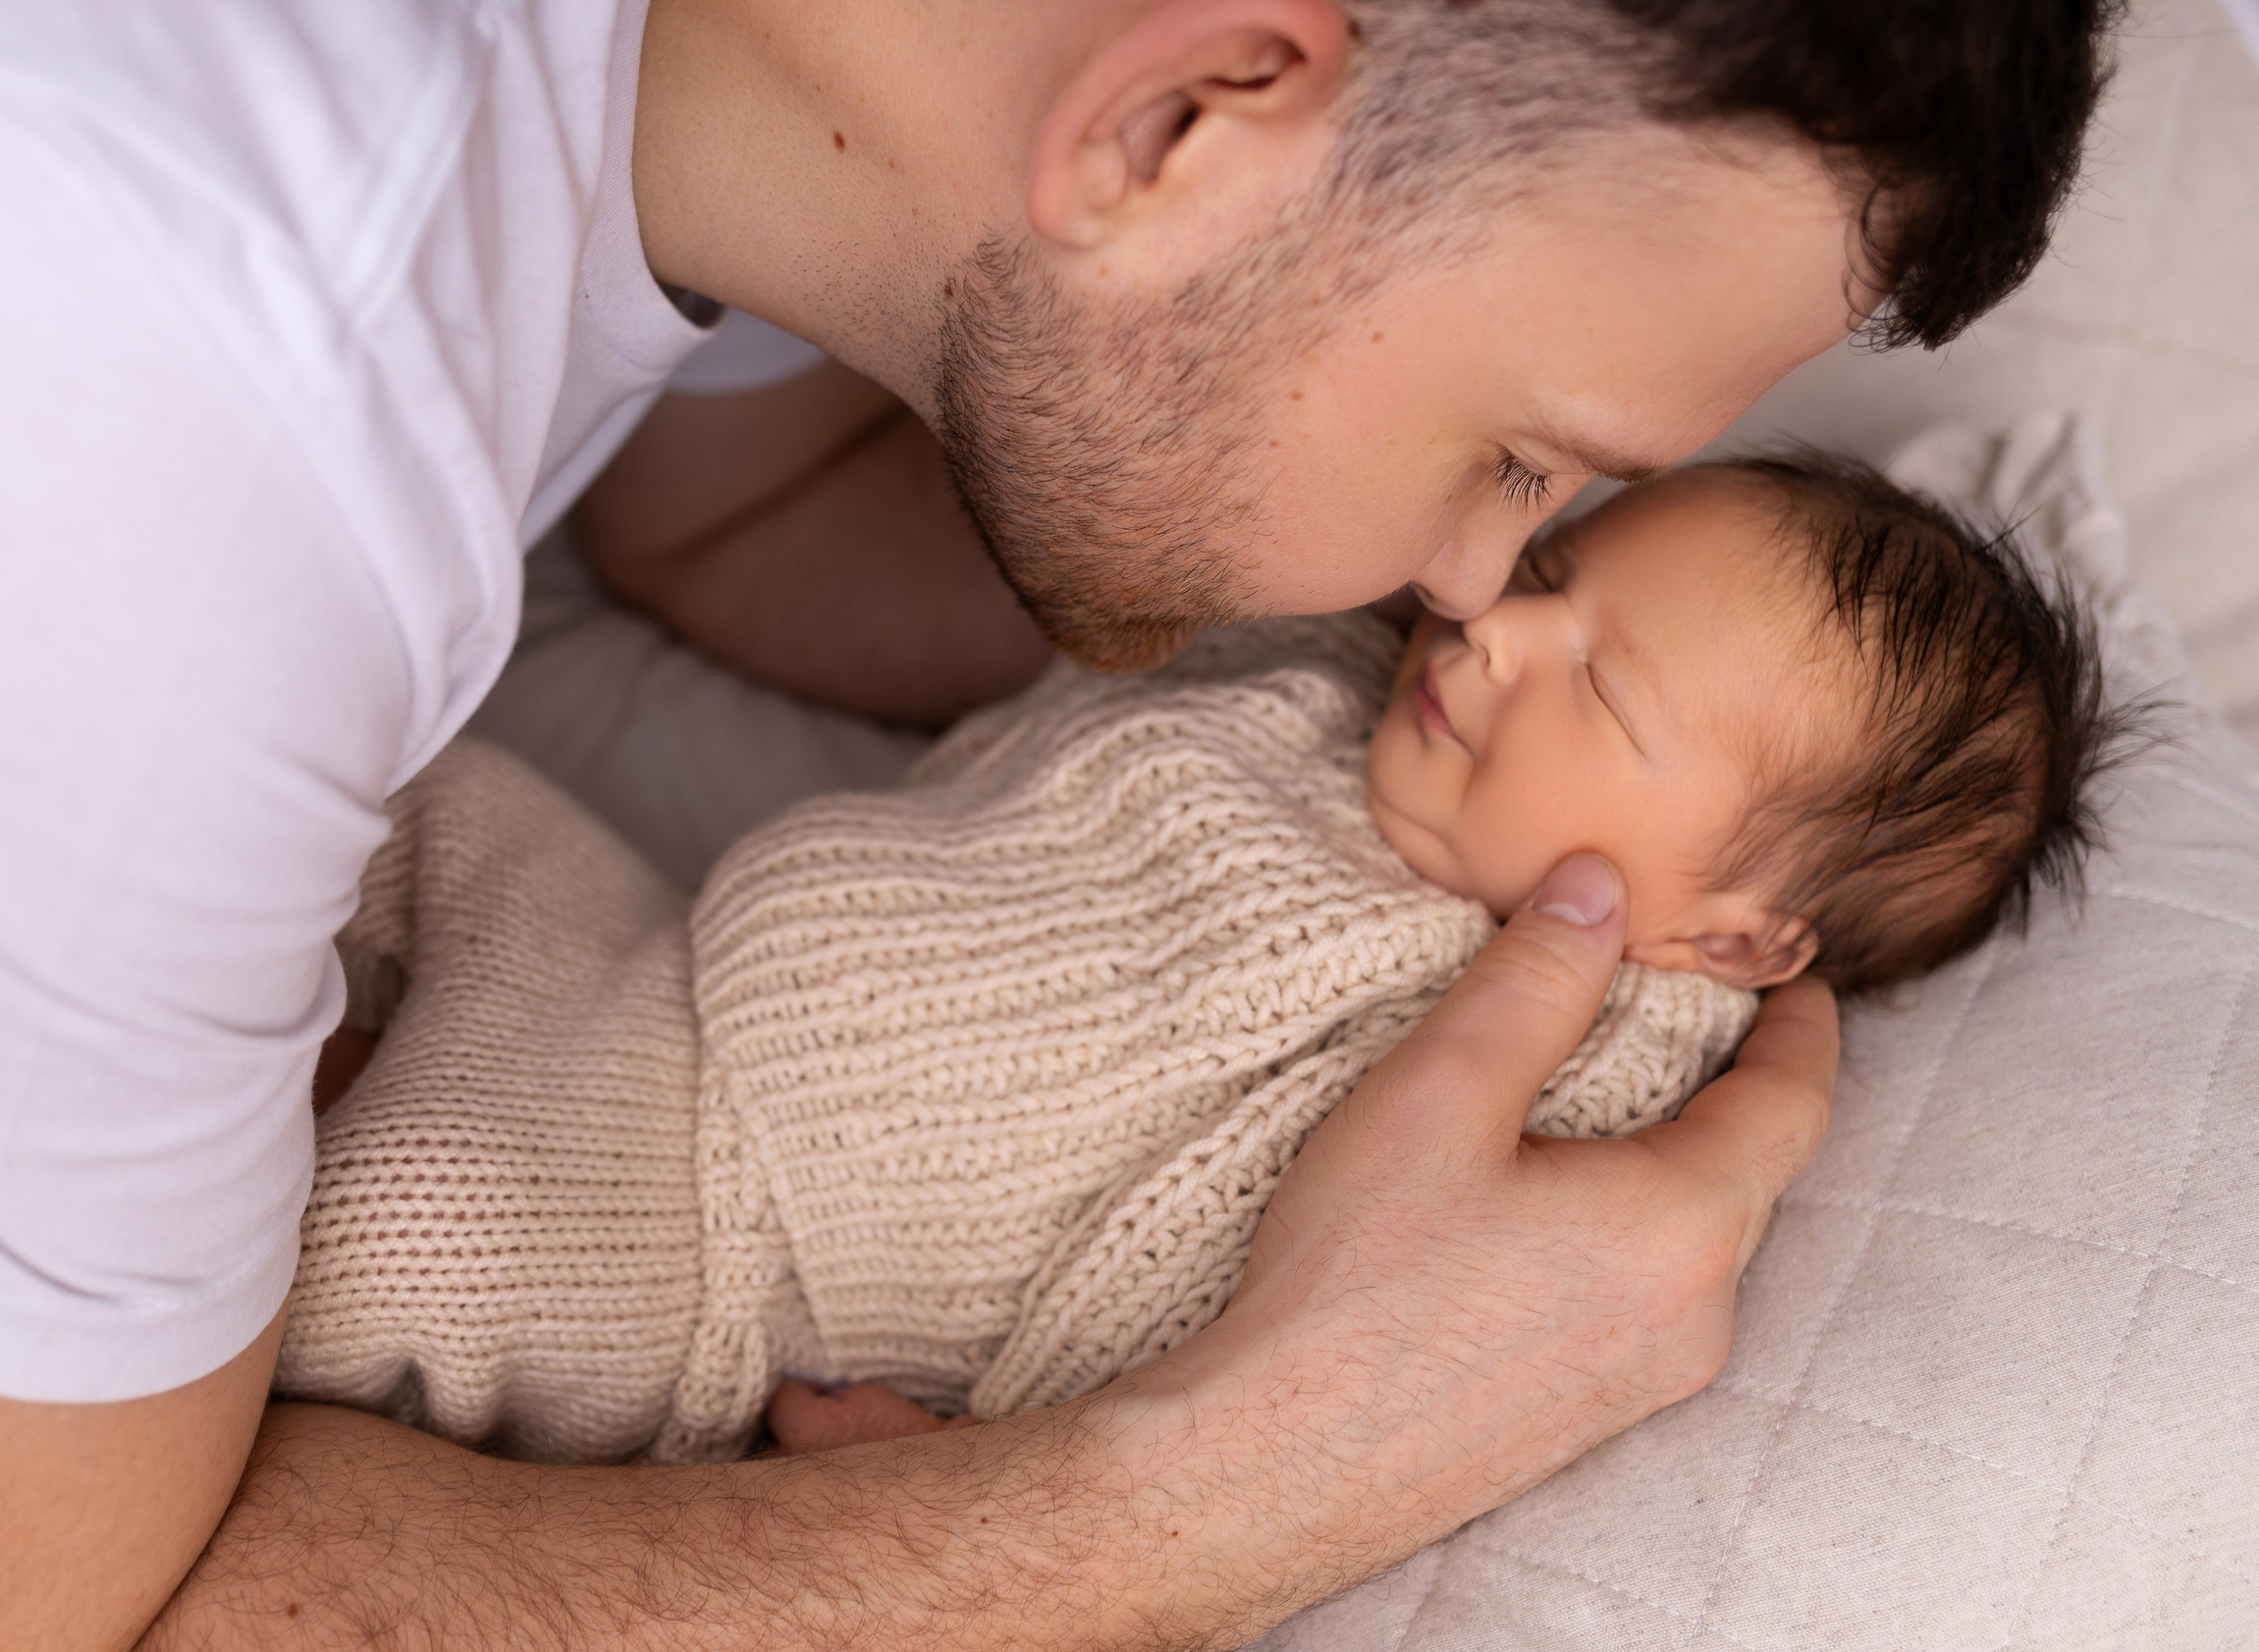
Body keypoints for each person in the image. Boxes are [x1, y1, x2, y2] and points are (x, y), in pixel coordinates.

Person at [0, 1, 2111, 1652]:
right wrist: (1199, 1492)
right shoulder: (100, 418)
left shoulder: (786, 127)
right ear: (1180, 118)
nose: (1475, 589)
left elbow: (738, 519)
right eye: (1515, 455)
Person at [272, 452, 2122, 1465]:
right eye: (1552, 578)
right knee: (381, 791)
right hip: (653, 958)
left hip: (712, 1253)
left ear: (1730, 930)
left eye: (1598, 684)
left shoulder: (1565, 1045)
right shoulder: (1344, 679)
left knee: (382, 1206)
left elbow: (1255, 1290)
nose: (1494, 638)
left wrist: (954, 1463)